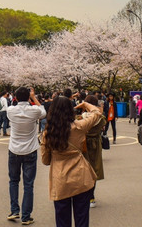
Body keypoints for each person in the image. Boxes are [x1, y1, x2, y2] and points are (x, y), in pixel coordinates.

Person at [41, 97, 101, 227]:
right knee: (82, 217)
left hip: (60, 178)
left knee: (62, 219)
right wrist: (85, 103)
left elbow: (45, 160)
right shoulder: (79, 127)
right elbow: (97, 113)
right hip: (80, 175)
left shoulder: (48, 133)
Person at [6, 87, 46, 224]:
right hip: (30, 150)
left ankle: (14, 210)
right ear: (28, 97)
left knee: (13, 181)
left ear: (15, 98)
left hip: (14, 150)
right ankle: (26, 216)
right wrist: (34, 98)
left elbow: (13, 108)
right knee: (28, 184)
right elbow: (44, 112)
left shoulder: (10, 111)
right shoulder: (34, 110)